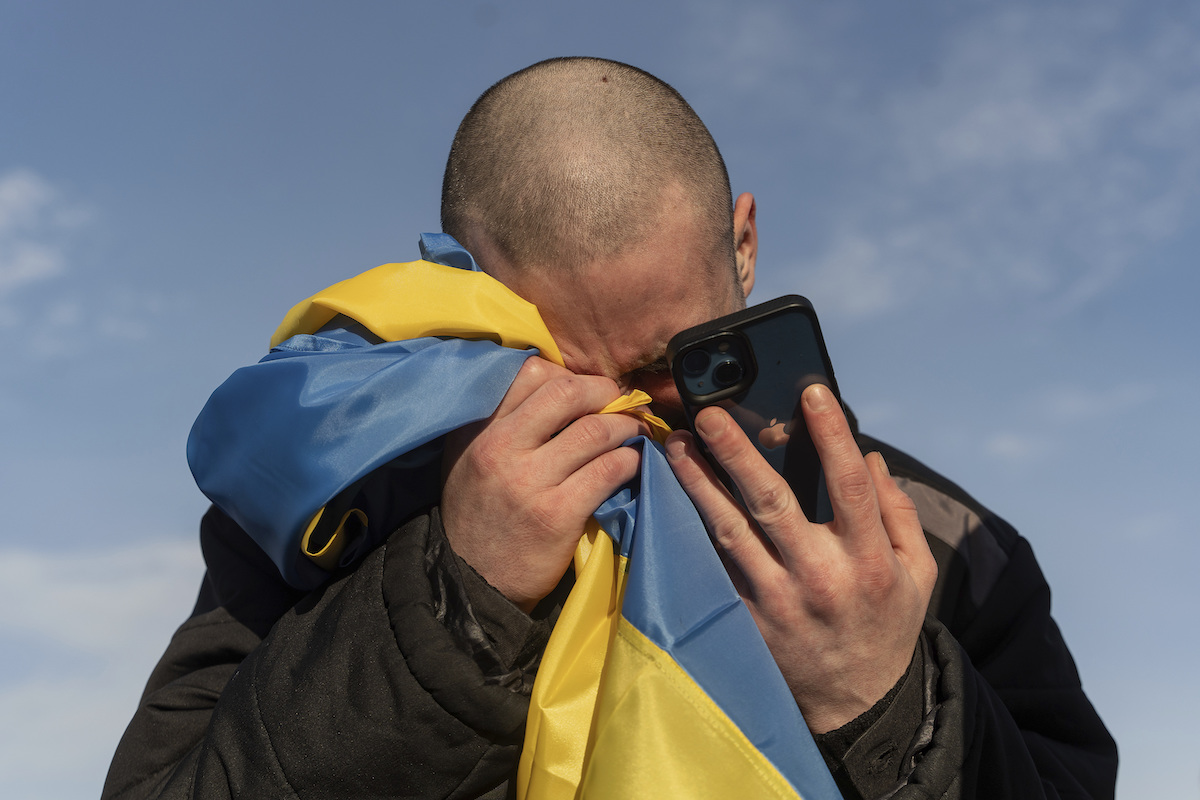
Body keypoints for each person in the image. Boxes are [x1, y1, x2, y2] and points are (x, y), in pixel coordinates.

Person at [103, 57, 1117, 800]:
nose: (628, 423)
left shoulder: (948, 543)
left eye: (672, 364)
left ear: (745, 244)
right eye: (553, 378)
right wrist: (451, 605)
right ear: (466, 300)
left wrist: (889, 702)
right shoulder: (343, 504)